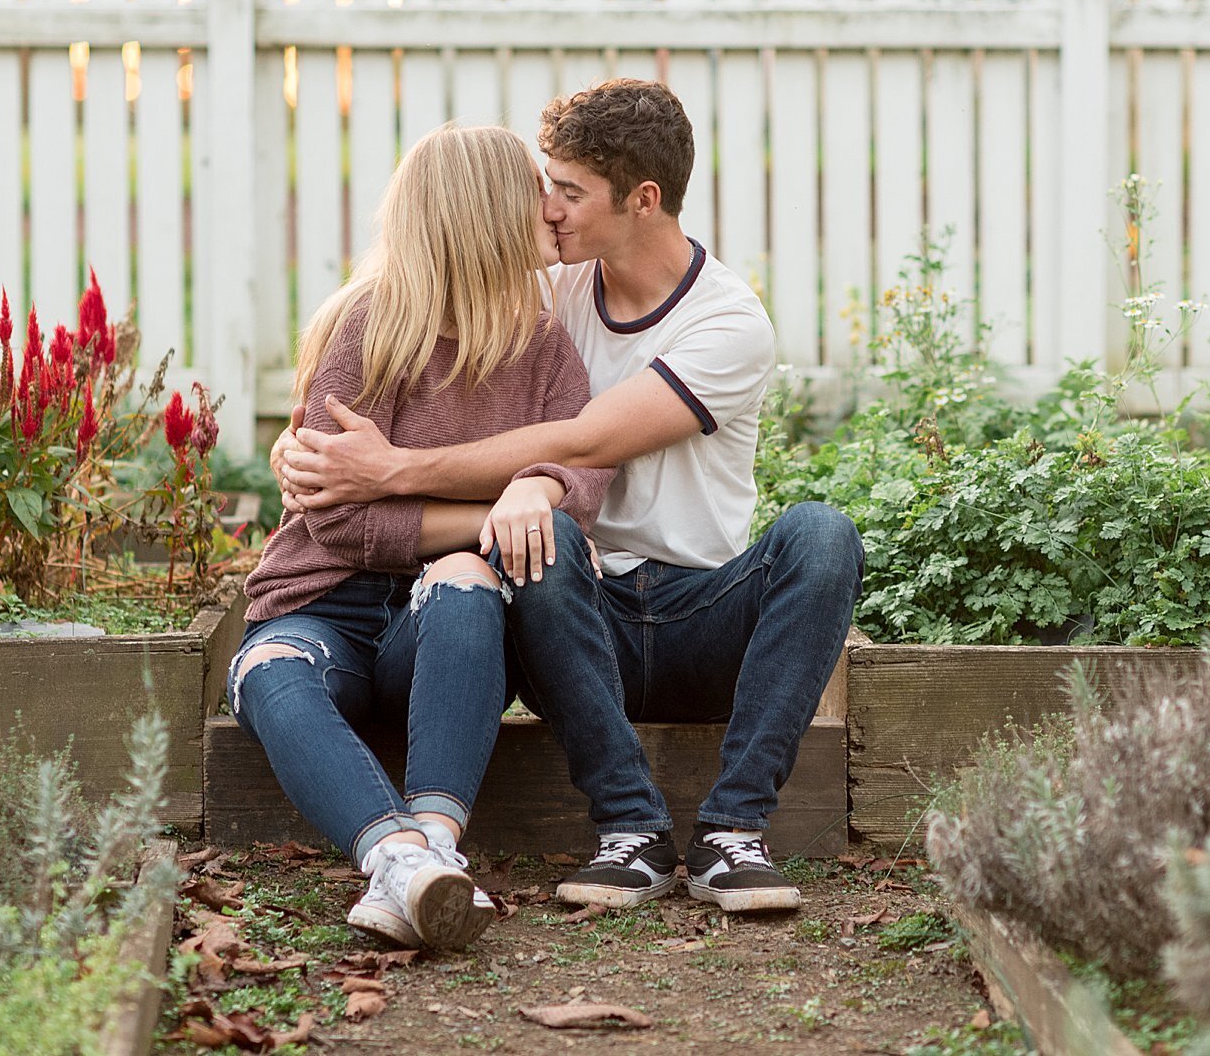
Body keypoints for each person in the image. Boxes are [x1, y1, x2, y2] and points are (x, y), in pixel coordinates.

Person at [275, 79, 863, 915]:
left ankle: (734, 830)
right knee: (543, 537)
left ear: (643, 200)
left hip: (700, 613)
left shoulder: (729, 322)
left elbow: (586, 443)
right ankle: (631, 829)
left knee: (823, 534)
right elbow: (428, 329)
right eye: (545, 183)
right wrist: (306, 447)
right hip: (571, 613)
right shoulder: (548, 291)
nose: (545, 208)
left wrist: (392, 468)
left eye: (569, 191)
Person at [229, 125, 613, 952]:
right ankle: (402, 859)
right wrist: (486, 515)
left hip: (438, 637)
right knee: (267, 668)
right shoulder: (370, 327)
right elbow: (333, 514)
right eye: (531, 193)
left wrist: (511, 507)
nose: (549, 210)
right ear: (484, 215)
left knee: (467, 580)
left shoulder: (546, 348)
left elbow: (577, 487)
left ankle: (436, 843)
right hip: (319, 606)